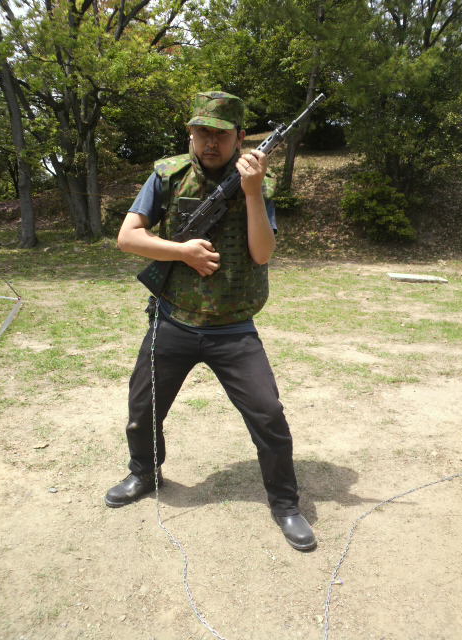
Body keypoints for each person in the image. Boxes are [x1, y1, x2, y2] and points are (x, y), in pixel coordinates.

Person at [105, 91, 316, 552]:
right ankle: (144, 473)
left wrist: (253, 192)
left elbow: (262, 253)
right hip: (174, 319)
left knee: (268, 414)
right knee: (143, 408)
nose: (210, 143)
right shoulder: (168, 175)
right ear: (190, 134)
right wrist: (181, 251)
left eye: (221, 134)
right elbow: (127, 237)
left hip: (233, 326)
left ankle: (285, 504)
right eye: (202, 133)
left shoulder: (259, 181)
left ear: (240, 137)